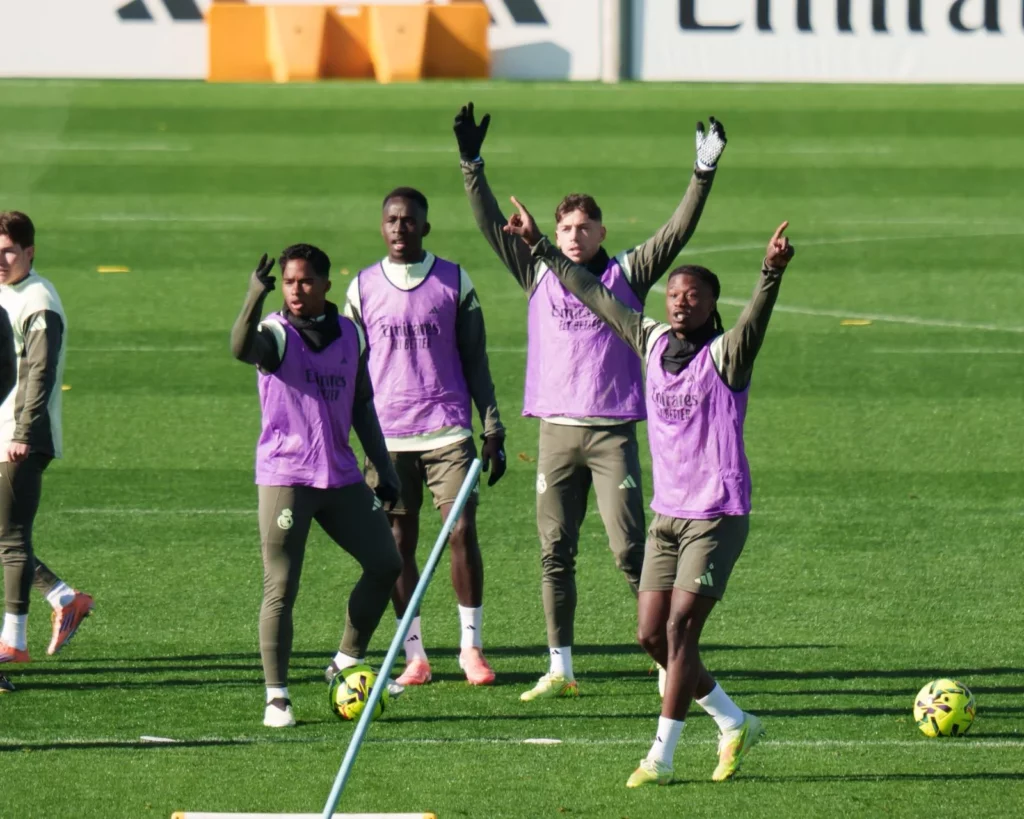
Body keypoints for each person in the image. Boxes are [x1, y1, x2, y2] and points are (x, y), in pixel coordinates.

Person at [502, 196, 794, 786]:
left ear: (713, 304)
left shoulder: (726, 355)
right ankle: (734, 721)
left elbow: (755, 324)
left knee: (682, 629)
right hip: (668, 514)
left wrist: (770, 273)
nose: (681, 301)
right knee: (649, 635)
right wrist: (538, 246)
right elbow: (595, 293)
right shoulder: (653, 341)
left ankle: (660, 756)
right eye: (675, 294)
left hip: (716, 514)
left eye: (694, 295)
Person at [455, 103, 727, 701]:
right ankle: (560, 665)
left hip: (611, 437)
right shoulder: (537, 271)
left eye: (584, 228)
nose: (574, 237)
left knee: (633, 552)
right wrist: (472, 164)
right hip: (555, 433)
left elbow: (677, 232)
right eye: (565, 229)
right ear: (555, 234)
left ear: (602, 232)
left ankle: (665, 661)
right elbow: (486, 223)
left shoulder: (628, 272)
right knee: (554, 553)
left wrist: (701, 174)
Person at [231, 243, 404, 728]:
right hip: (287, 476)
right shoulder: (275, 332)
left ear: (327, 283)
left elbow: (362, 403)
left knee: (385, 562)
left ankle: (346, 660)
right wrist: (252, 297)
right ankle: (277, 696)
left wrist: (383, 466)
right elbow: (241, 348)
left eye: (305, 281)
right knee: (281, 586)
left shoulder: (351, 333)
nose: (296, 290)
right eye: (288, 282)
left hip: (340, 475)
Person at [345, 187, 506, 687]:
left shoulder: (454, 280)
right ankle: (414, 653)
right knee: (397, 544)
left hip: (447, 430)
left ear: (424, 227)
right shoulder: (362, 287)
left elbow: (475, 359)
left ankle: (470, 648)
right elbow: (347, 369)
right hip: (387, 437)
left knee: (460, 531)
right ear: (382, 226)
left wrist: (493, 422)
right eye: (391, 220)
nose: (399, 228)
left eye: (409, 221)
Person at [0, 211, 95, 687]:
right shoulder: (8, 293)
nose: (0, 260)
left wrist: (22, 431)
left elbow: (40, 371)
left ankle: (13, 641)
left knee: (11, 537)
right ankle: (62, 598)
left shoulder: (38, 299)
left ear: (29, 251)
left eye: (8, 251)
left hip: (20, 437)